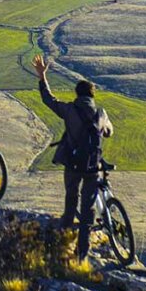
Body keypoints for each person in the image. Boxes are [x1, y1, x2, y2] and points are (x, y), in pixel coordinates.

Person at [32, 54, 113, 261]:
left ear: (77, 94)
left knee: (70, 203)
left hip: (73, 165)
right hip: (93, 168)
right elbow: (109, 132)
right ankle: (81, 257)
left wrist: (43, 77)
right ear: (92, 96)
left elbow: (48, 100)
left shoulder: (70, 110)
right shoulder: (101, 113)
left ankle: (59, 250)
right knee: (87, 214)